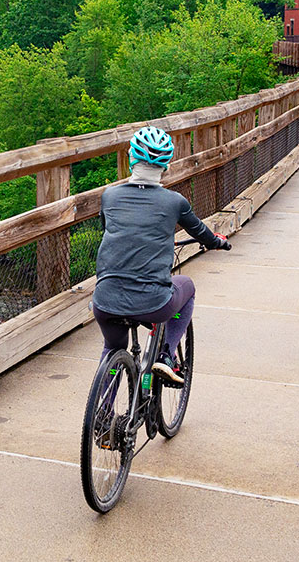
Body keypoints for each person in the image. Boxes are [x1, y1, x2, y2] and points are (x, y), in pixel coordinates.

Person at [92, 126, 229, 385]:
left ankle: (103, 414)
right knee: (186, 286)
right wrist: (216, 243)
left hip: (105, 300)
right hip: (154, 304)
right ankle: (167, 355)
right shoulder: (174, 202)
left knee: (112, 348)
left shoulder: (109, 196)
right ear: (165, 165)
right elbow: (202, 233)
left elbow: (111, 230)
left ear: (132, 158)